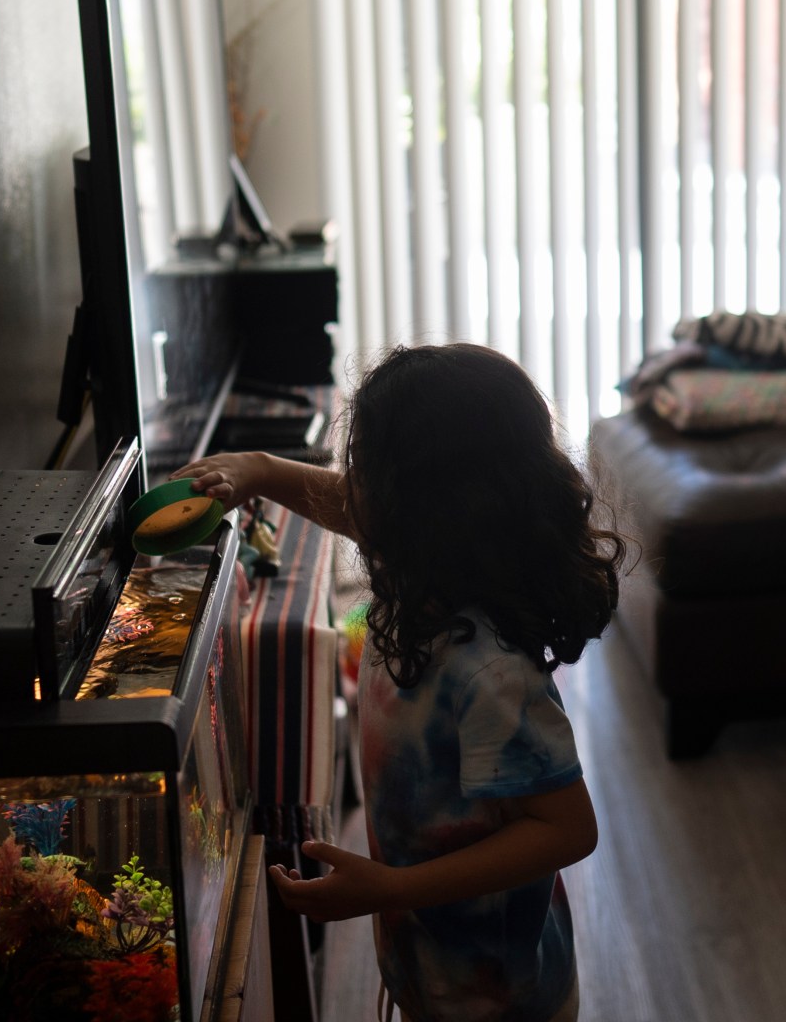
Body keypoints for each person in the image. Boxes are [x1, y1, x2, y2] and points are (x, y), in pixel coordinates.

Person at [179, 343, 620, 1022]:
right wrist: (260, 471)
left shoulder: (488, 673)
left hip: (496, 996)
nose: (354, 487)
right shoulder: (425, 575)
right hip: (431, 965)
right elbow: (351, 508)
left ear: (423, 505)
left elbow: (567, 831)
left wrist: (392, 886)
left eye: (368, 471)